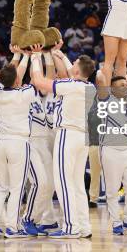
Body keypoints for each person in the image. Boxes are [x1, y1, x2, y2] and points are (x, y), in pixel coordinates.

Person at [31, 46, 96, 239]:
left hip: (67, 135)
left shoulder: (71, 86)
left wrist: (35, 58)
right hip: (83, 137)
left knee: (63, 183)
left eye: (74, 64)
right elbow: (73, 72)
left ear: (77, 71)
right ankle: (83, 227)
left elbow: (38, 81)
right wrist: (60, 55)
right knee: (76, 185)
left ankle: (70, 227)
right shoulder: (90, 87)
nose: (71, 66)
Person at [0, 58, 39, 238]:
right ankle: (12, 227)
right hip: (19, 143)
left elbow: (13, 75)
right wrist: (32, 56)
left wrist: (20, 56)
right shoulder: (24, 93)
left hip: (1, 143)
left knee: (1, 187)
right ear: (17, 80)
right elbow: (33, 77)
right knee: (17, 188)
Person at [95, 71, 127, 235]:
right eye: (121, 86)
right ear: (112, 90)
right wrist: (104, 72)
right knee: (112, 190)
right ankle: (116, 223)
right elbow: (99, 77)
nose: (126, 87)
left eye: (126, 86)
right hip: (110, 150)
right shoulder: (106, 100)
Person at [19, 47, 59, 236]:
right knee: (40, 183)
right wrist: (31, 56)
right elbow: (25, 77)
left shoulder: (39, 92)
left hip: (44, 140)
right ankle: (27, 218)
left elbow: (47, 77)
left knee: (49, 184)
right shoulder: (20, 91)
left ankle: (45, 219)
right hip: (29, 141)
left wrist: (48, 53)